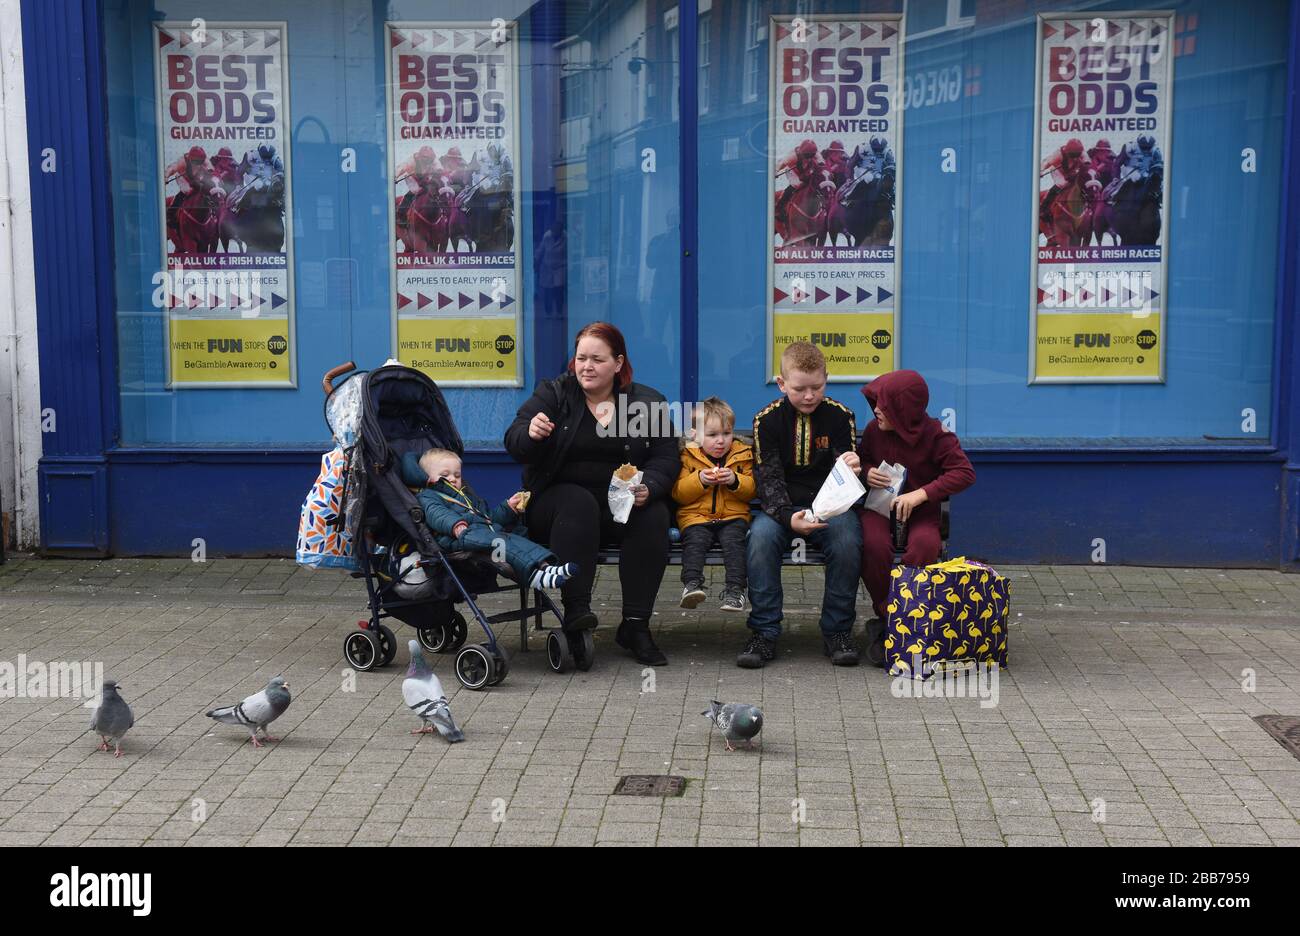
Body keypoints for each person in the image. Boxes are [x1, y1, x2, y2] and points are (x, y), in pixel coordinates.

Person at [504, 322, 678, 665]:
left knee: (653, 514)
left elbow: (665, 457)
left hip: (619, 501)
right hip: (556, 506)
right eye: (581, 358)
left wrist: (650, 487)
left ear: (617, 363)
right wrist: (531, 433)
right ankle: (577, 612)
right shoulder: (553, 394)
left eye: (597, 359)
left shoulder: (646, 401)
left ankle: (635, 626)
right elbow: (515, 442)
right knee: (577, 501)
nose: (586, 366)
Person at [737, 342, 863, 669]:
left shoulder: (840, 416)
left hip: (830, 506)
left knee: (847, 542)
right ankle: (764, 632)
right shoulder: (766, 421)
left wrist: (851, 465)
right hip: (781, 506)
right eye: (799, 389)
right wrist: (788, 516)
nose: (809, 396)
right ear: (781, 384)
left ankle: (837, 632)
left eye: (816, 387)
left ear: (826, 380)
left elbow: (844, 474)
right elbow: (768, 477)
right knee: (760, 541)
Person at [856, 370, 976, 667]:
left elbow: (964, 473)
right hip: (879, 508)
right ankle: (889, 616)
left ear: (903, 409)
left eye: (883, 404)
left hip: (921, 512)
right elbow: (862, 458)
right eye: (876, 403)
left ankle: (906, 617)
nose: (876, 410)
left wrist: (921, 494)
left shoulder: (937, 435)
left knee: (924, 545)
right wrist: (866, 470)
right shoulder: (873, 430)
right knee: (872, 545)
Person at [402, 448, 577, 591]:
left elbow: (488, 518)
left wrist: (508, 507)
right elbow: (438, 515)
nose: (453, 479)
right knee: (500, 542)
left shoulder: (466, 496)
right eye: (445, 474)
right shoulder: (428, 496)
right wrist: (456, 525)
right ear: (428, 478)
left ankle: (546, 566)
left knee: (514, 537)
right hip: (456, 539)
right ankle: (533, 576)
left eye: (457, 475)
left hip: (481, 533)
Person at [672, 396, 756, 613]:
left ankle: (735, 591)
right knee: (695, 543)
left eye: (726, 434)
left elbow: (753, 490)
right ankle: (691, 585)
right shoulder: (687, 457)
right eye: (712, 435)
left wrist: (735, 481)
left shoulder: (742, 455)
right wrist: (699, 480)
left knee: (735, 545)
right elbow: (678, 493)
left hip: (733, 516)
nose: (721, 441)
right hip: (695, 516)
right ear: (694, 435)